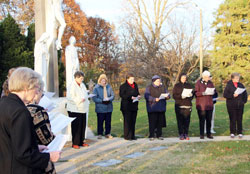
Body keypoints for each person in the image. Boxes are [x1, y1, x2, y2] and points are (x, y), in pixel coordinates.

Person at [0, 67, 60, 174]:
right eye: (36, 87)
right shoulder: (20, 112)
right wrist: (49, 156)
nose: (37, 91)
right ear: (26, 87)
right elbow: (24, 154)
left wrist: (34, 146)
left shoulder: (4, 103)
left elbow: (12, 142)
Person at [27, 81, 56, 174]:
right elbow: (46, 139)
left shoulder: (19, 107)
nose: (42, 96)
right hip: (39, 156)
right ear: (37, 92)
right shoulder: (37, 110)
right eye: (42, 93)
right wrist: (54, 137)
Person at [67, 71, 90, 149]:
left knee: (82, 126)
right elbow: (70, 97)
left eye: (82, 78)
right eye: (80, 78)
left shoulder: (83, 85)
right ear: (76, 77)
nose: (82, 80)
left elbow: (85, 94)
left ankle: (81, 141)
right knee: (76, 127)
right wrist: (80, 99)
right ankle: (75, 143)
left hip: (83, 108)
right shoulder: (72, 86)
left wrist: (86, 97)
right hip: (75, 109)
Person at [144, 75, 170, 141]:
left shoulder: (163, 87)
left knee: (160, 122)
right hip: (152, 108)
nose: (159, 82)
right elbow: (147, 96)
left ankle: (159, 135)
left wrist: (167, 96)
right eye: (158, 81)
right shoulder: (149, 87)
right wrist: (154, 99)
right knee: (152, 122)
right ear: (154, 81)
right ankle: (151, 135)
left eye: (159, 81)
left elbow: (168, 94)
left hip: (161, 107)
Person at [223, 73, 248, 138]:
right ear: (232, 78)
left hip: (240, 105)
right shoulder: (228, 85)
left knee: (239, 119)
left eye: (238, 78)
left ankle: (240, 132)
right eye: (236, 78)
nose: (238, 79)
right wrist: (232, 95)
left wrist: (243, 102)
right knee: (232, 119)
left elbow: (245, 94)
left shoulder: (241, 85)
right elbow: (225, 95)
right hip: (231, 105)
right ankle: (232, 132)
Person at [195, 70, 216, 139]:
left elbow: (214, 91)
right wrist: (203, 93)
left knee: (209, 120)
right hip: (202, 105)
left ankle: (208, 134)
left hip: (209, 105)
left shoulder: (211, 83)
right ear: (203, 77)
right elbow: (196, 93)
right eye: (206, 77)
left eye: (209, 77)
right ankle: (201, 134)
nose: (208, 78)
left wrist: (213, 92)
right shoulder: (198, 83)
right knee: (202, 120)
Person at [92, 74, 115, 139]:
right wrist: (102, 101)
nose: (103, 82)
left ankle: (108, 133)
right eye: (102, 80)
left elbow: (112, 96)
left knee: (108, 122)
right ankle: (100, 133)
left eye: (104, 80)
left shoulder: (109, 87)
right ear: (100, 80)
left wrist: (109, 99)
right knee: (100, 122)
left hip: (108, 108)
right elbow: (94, 98)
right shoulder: (96, 88)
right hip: (100, 108)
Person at [119, 74, 140, 140]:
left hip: (134, 106)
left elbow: (137, 92)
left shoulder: (135, 85)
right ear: (127, 79)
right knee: (127, 122)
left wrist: (138, 96)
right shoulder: (123, 86)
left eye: (133, 79)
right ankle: (127, 136)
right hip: (126, 106)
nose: (133, 80)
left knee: (133, 121)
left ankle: (132, 135)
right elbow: (122, 95)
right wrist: (130, 97)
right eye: (131, 79)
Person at [173, 73, 193, 140]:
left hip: (187, 105)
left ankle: (186, 133)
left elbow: (192, 95)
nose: (184, 79)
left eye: (185, 78)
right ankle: (181, 134)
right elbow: (174, 96)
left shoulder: (189, 85)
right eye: (182, 78)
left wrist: (190, 95)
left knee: (187, 120)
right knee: (180, 120)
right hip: (179, 105)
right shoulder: (176, 86)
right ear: (180, 78)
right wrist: (181, 96)